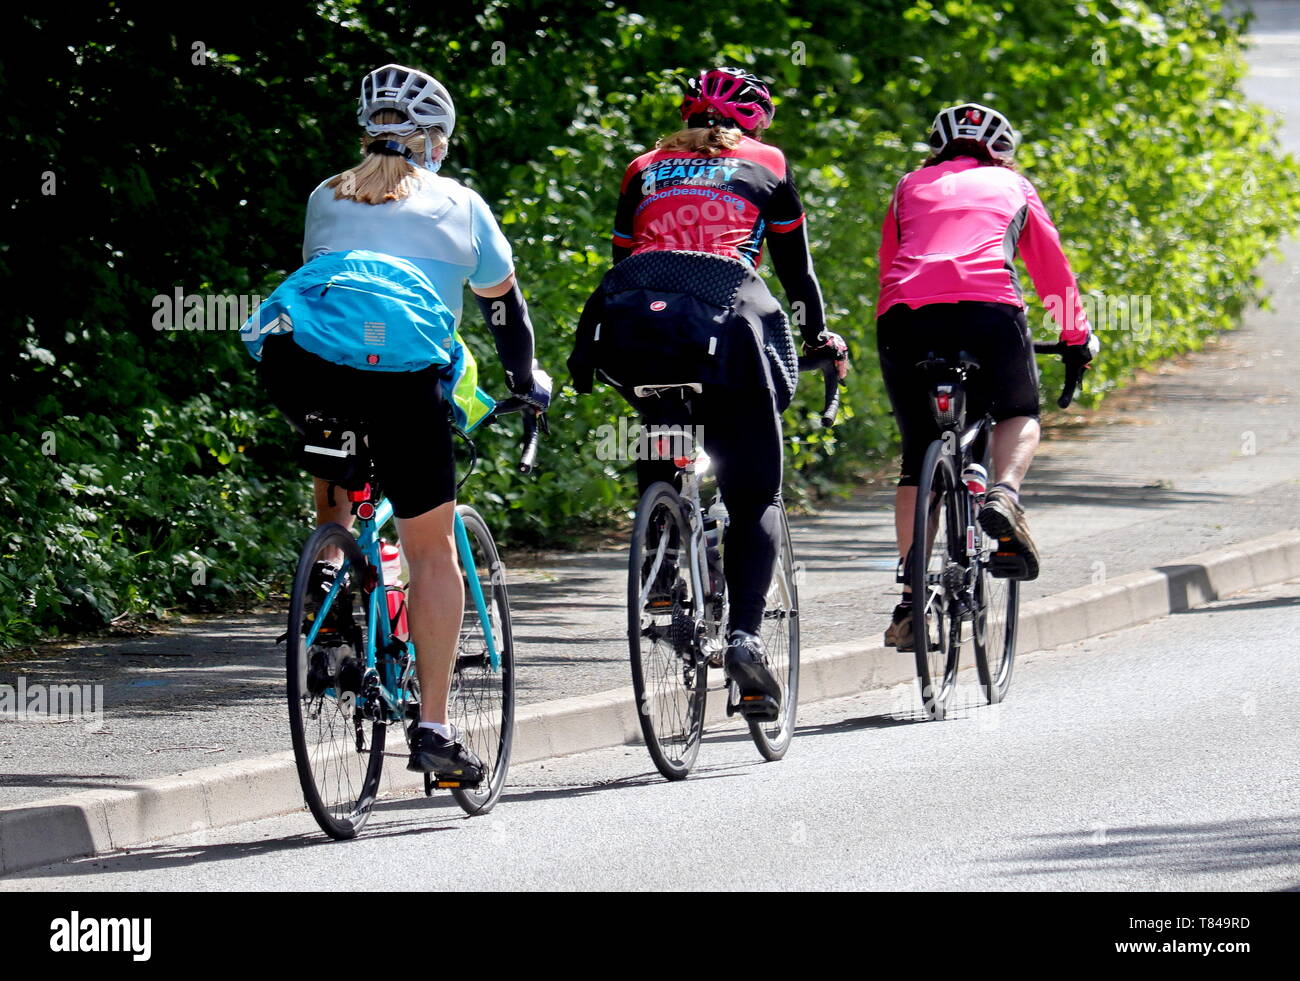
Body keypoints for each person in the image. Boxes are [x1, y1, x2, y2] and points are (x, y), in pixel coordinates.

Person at [242, 64, 551, 778]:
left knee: (341, 475)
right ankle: (435, 730)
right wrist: (523, 381)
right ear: (435, 142)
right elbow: (504, 310)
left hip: (307, 371)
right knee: (432, 549)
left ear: (364, 132)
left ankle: (329, 582)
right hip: (403, 386)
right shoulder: (463, 205)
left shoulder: (325, 196)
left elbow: (329, 298)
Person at [569, 67, 848, 716]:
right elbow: (795, 273)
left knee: (663, 422)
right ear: (755, 123)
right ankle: (747, 637)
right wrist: (818, 338)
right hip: (729, 323)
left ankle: (662, 562)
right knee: (755, 494)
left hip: (637, 328)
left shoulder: (642, 167)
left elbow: (622, 261)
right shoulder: (768, 163)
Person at [876, 102, 1099, 651]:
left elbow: (888, 259)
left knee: (916, 456)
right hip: (988, 309)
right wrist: (1075, 337)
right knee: (1018, 410)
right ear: (1002, 151)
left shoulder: (909, 185)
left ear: (937, 147)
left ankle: (909, 600)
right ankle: (1002, 494)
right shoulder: (1012, 185)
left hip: (906, 315)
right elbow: (1051, 268)